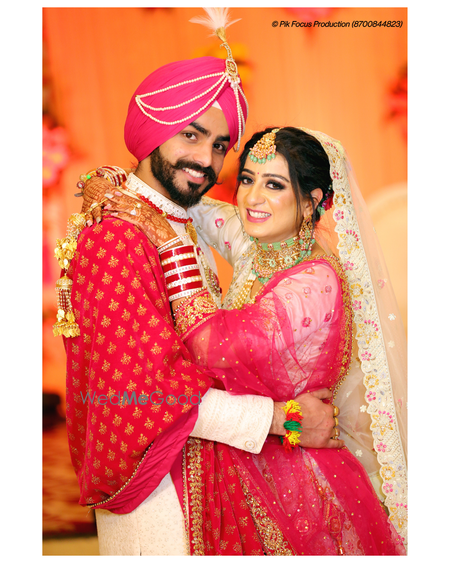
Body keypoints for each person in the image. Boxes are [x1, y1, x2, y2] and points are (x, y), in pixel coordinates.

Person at [54, 10, 343, 556]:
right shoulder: (118, 234)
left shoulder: (170, 217)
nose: (206, 160)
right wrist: (287, 421)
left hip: (210, 467)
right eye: (192, 134)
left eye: (220, 145)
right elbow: (143, 392)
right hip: (159, 494)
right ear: (153, 127)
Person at [85, 126, 407, 555]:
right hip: (243, 452)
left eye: (274, 185)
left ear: (311, 201)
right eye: (248, 179)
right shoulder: (253, 243)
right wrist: (111, 182)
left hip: (300, 476)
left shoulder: (316, 282)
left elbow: (210, 346)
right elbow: (178, 199)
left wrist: (168, 245)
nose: (252, 198)